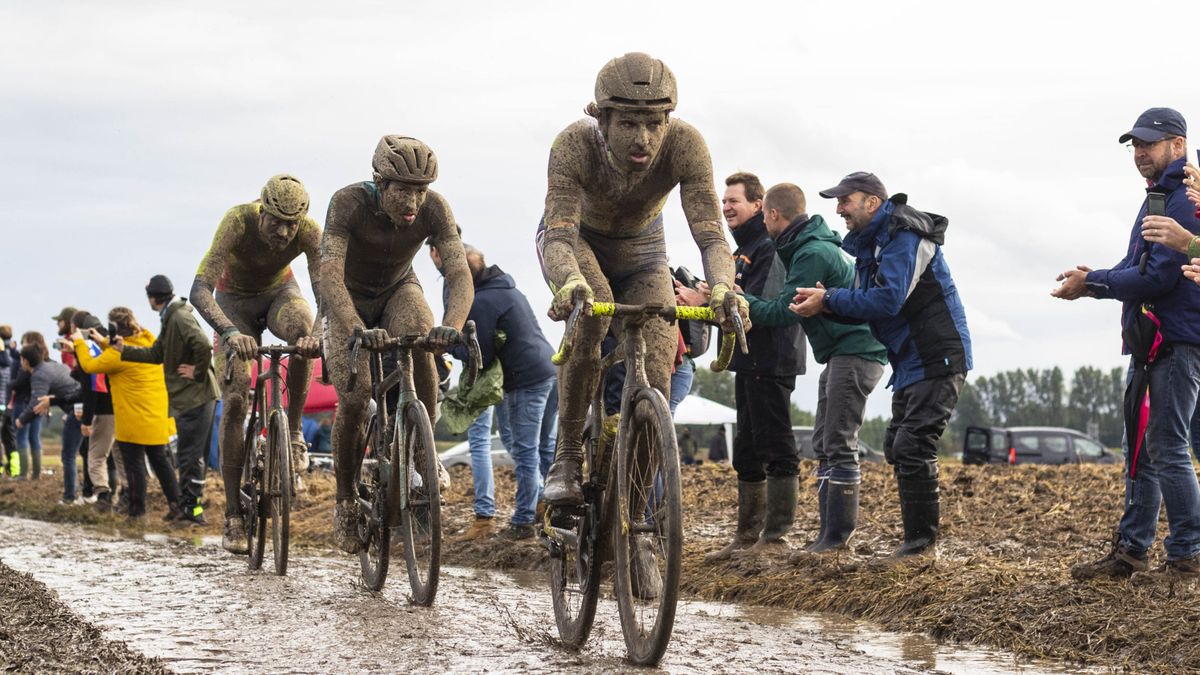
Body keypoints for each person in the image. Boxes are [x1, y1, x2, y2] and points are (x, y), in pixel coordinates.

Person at [538, 52, 746, 511]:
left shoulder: (686, 144)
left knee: (657, 376)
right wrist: (569, 282)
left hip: (644, 253)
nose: (645, 138)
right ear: (603, 120)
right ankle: (568, 453)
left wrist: (724, 288)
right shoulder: (574, 145)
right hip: (579, 245)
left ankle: (636, 520)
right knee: (593, 313)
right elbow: (558, 237)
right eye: (630, 124)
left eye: (655, 123)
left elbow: (711, 234)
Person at [792, 171, 972, 558]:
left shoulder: (905, 235)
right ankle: (916, 544)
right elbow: (862, 305)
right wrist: (826, 301)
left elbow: (887, 300)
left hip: (937, 353)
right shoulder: (871, 245)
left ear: (872, 202)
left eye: (845, 200)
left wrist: (830, 300)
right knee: (898, 444)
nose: (838, 209)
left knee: (912, 444)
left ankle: (921, 548)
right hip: (910, 359)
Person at [1054, 108, 1200, 580]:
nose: (1139, 154)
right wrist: (1094, 278)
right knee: (1142, 443)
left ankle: (1186, 556)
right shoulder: (1160, 196)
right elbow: (1138, 258)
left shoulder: (1183, 199)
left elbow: (1158, 274)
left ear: (1177, 146)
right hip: (1156, 342)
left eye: (1149, 144)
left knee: (1164, 444)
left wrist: (1092, 284)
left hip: (1175, 341)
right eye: (1134, 146)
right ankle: (1132, 550)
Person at [321, 135, 473, 553]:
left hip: (398, 288)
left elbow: (459, 274)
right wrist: (353, 326)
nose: (413, 201)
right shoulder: (348, 202)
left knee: (421, 338)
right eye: (403, 190)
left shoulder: (436, 209)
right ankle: (346, 501)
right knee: (355, 397)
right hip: (347, 295)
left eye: (420, 191)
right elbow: (330, 275)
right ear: (379, 183)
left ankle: (422, 451)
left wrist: (452, 325)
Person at [741, 183, 888, 554]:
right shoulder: (802, 247)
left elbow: (781, 311)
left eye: (763, 215)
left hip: (855, 350)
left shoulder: (811, 253)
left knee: (838, 441)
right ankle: (827, 537)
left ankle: (835, 542)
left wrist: (741, 302)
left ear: (773, 214)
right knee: (824, 440)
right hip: (841, 351)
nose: (762, 221)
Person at [677, 172, 805, 561]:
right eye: (724, 202)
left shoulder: (767, 246)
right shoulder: (738, 251)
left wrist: (706, 300)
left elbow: (762, 307)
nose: (726, 207)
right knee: (747, 450)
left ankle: (776, 537)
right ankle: (747, 537)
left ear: (758, 205)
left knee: (775, 444)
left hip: (772, 357)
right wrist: (703, 295)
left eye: (734, 201)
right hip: (747, 361)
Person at [189, 175, 323, 549]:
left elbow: (325, 289)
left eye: (291, 225)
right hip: (234, 305)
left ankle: (293, 433)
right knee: (234, 400)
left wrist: (320, 333)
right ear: (261, 210)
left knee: (304, 333)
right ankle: (233, 514)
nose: (283, 232)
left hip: (280, 293)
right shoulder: (238, 220)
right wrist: (230, 332)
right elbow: (199, 290)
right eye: (276, 221)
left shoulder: (309, 231)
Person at [114, 275, 220, 526]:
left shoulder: (179, 317)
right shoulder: (171, 316)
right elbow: (155, 353)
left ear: (152, 297)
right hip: (191, 397)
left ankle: (192, 512)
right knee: (188, 455)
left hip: (194, 396)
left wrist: (197, 370)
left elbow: (203, 345)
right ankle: (188, 507)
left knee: (190, 457)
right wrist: (123, 350)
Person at [74, 308, 182, 522]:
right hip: (156, 415)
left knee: (134, 466)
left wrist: (79, 342)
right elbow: (122, 349)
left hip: (132, 418)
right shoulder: (148, 340)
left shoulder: (117, 355)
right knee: (161, 462)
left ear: (114, 328)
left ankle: (137, 512)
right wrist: (104, 341)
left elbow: (90, 366)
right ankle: (177, 505)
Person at [71, 313, 122, 511]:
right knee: (114, 454)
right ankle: (119, 494)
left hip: (104, 410)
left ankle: (103, 495)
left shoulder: (89, 349)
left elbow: (90, 387)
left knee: (96, 456)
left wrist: (86, 419)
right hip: (119, 406)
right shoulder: (107, 345)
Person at [11, 332, 49, 480]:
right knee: (35, 437)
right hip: (39, 402)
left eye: (24, 343)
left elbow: (18, 383)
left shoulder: (28, 365)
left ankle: (23, 474)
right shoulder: (46, 361)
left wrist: (11, 385)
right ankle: (36, 474)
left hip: (23, 402)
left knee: (21, 437)